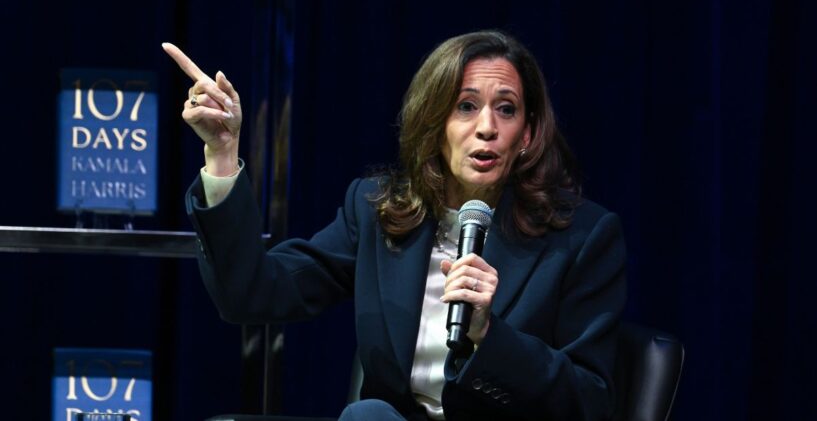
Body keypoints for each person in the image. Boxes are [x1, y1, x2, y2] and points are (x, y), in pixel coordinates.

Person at [163, 30, 626, 421]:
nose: (487, 127)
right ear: (434, 121)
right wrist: (222, 154)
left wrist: (488, 334)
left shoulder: (582, 237)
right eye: (466, 106)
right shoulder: (378, 212)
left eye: (506, 109)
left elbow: (592, 400)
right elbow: (253, 293)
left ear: (526, 133)